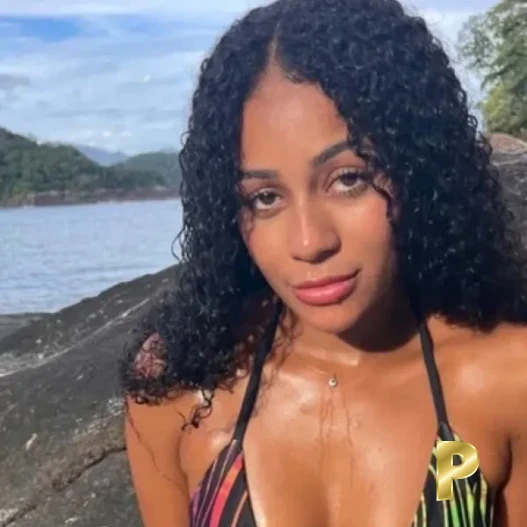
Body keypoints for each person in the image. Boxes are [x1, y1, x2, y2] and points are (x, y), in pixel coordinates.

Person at [118, 0, 527, 525]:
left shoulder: (504, 380)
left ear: (417, 168)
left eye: (348, 178)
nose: (310, 242)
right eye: (265, 197)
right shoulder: (179, 384)